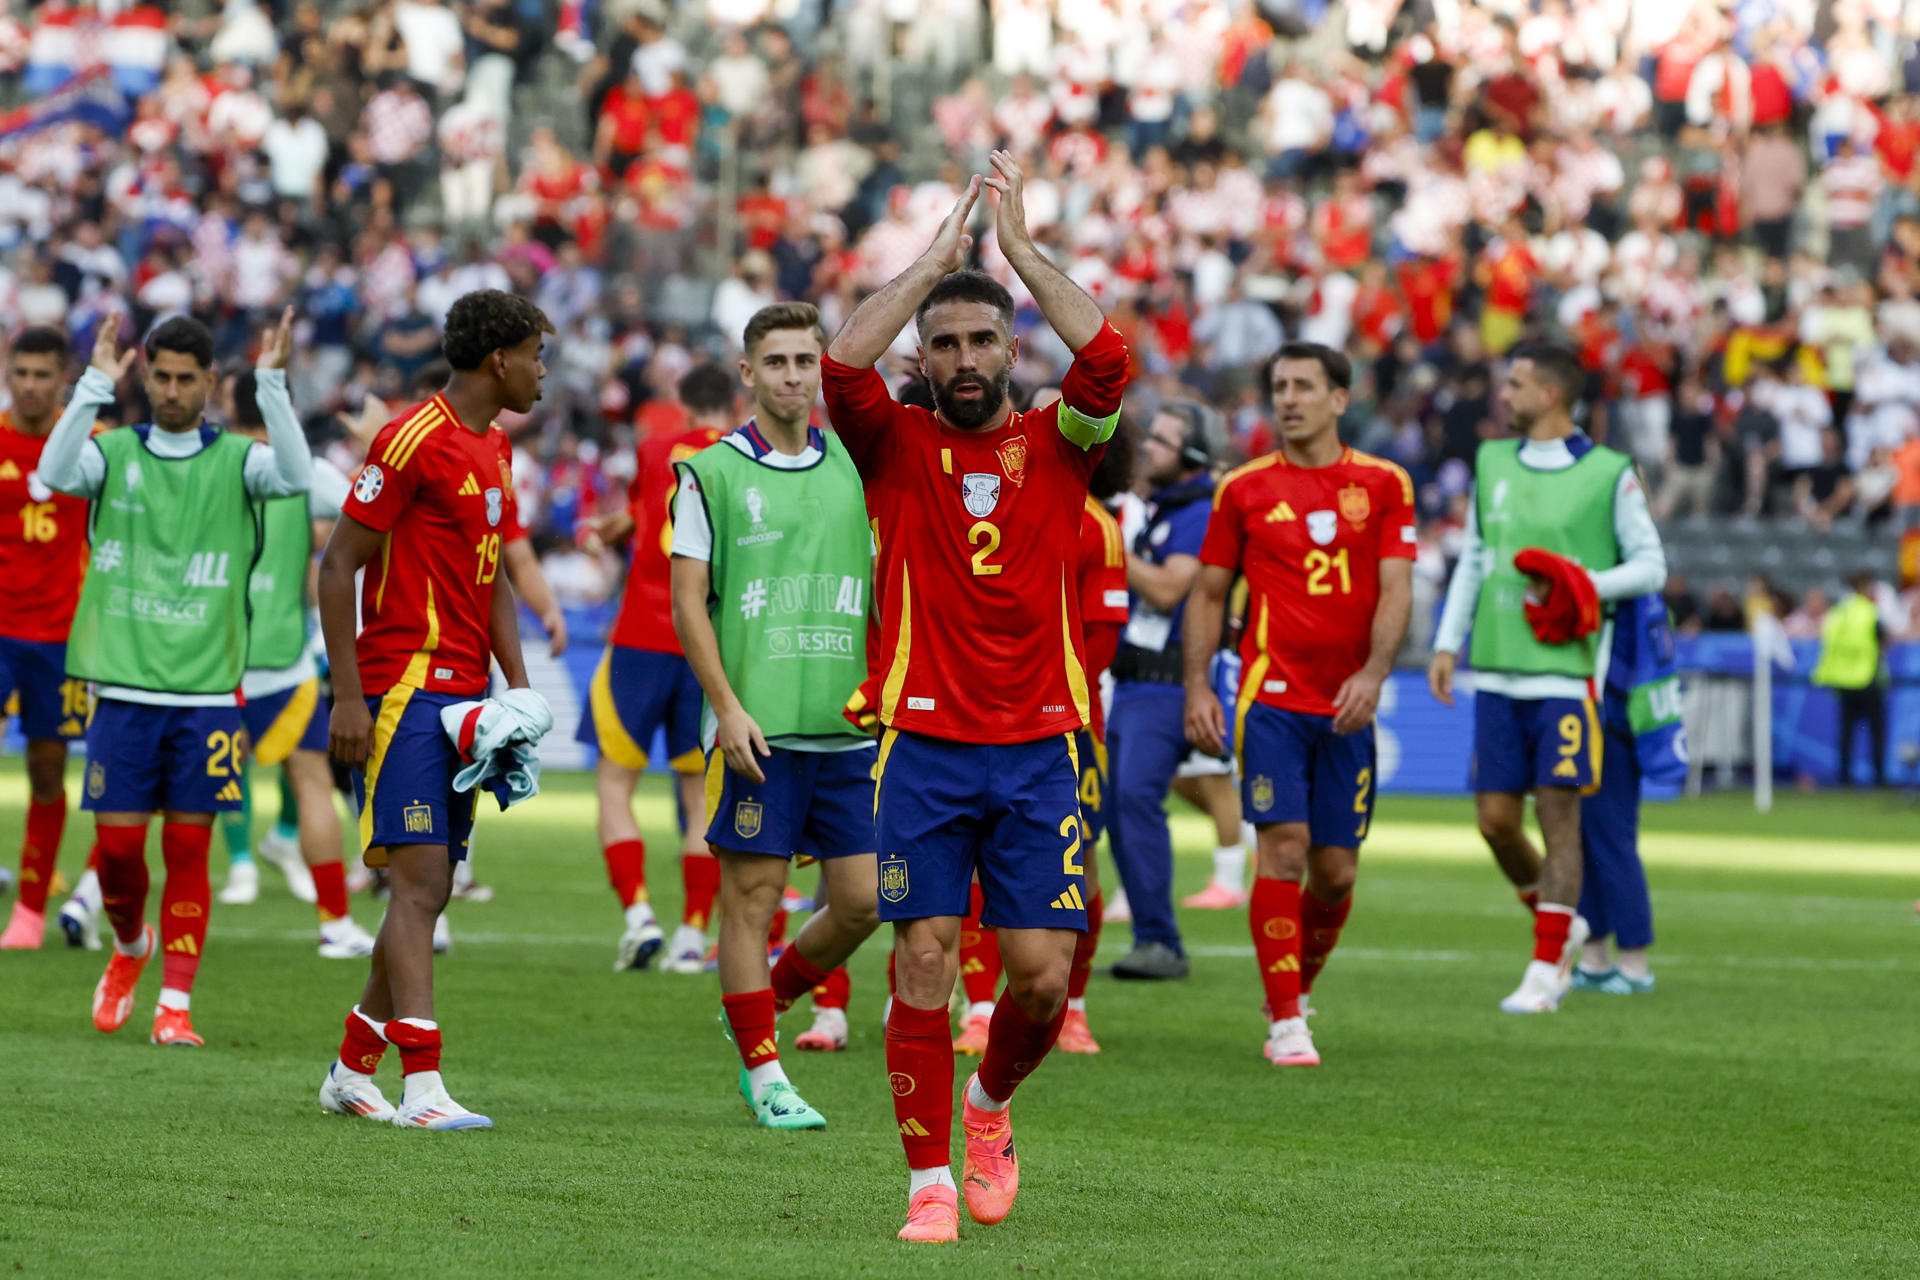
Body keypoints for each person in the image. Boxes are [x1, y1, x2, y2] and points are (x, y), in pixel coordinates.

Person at [820, 151, 1128, 1243]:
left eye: (981, 340)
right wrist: (935, 260)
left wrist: (1022, 252)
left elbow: (1110, 355)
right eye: (943, 343)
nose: (961, 357)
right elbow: (842, 364)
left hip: (1041, 744)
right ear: (926, 355)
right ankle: (927, 1184)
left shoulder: (1062, 445)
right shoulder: (892, 447)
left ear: (1011, 351)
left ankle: (990, 1104)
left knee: (1041, 980)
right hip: (925, 747)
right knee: (925, 953)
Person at [315, 289, 555, 1130]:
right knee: (418, 883)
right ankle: (423, 1085)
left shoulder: (493, 448)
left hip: (462, 699)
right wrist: (348, 694)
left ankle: (352, 1068)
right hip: (402, 689)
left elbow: (488, 581)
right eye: (535, 355)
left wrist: (516, 687)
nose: (542, 371)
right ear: (499, 359)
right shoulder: (411, 437)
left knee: (434, 885)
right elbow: (338, 564)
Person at [42, 309, 312, 1046]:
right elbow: (52, 473)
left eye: (184, 379)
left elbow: (293, 474)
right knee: (123, 853)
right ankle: (131, 947)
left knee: (189, 850)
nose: (169, 390)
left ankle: (176, 1006)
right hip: (124, 694)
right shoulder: (115, 453)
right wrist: (96, 380)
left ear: (210, 383)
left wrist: (275, 384)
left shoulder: (238, 462)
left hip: (206, 699)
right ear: (145, 375)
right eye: (159, 375)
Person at [668, 301, 881, 1130]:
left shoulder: (855, 468)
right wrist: (726, 707)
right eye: (779, 361)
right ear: (749, 373)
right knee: (750, 903)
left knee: (864, 902)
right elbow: (690, 603)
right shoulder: (712, 472)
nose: (795, 375)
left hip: (848, 726)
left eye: (807, 360)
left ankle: (765, 997)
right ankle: (765, 1072)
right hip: (758, 729)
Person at [1184, 342, 1415, 1066]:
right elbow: (1210, 592)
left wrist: (1375, 673)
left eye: (1305, 386)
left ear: (1339, 399)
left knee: (1337, 871)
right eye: (1280, 386)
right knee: (1282, 850)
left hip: (1349, 702)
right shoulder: (1243, 489)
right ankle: (1287, 1020)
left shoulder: (1383, 484)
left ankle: (1293, 987)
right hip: (1271, 699)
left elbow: (1397, 586)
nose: (1288, 398)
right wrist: (1197, 685)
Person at [1427, 342, 1666, 1014]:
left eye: (1518, 384)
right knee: (1497, 823)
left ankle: (1545, 966)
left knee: (1561, 820)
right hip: (1497, 669)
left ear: (1552, 394)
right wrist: (1449, 641)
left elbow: (1651, 566)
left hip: (1567, 673)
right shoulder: (1491, 460)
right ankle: (1564, 925)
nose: (1504, 394)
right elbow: (1475, 555)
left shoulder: (1610, 472)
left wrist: (1581, 584)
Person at [949, 420, 1135, 1057]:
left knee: (1076, 867)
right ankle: (977, 1008)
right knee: (972, 866)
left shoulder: (1096, 524)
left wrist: (1039, 693)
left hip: (1070, 729)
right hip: (976, 722)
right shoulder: (989, 502)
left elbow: (1103, 641)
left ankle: (1074, 1008)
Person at [577, 364, 732, 973]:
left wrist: (608, 531)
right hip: (707, 646)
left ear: (681, 403)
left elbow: (651, 515)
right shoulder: (748, 456)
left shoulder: (654, 450)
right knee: (699, 796)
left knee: (616, 783)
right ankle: (692, 935)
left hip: (642, 633)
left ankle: (639, 914)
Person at [228, 369, 378, 959]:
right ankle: (335, 925)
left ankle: (98, 900)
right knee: (313, 781)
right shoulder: (306, 472)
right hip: (286, 654)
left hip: (206, 657)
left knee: (167, 789)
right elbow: (372, 509)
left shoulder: (213, 461)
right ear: (284, 409)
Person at [1106, 402, 1215, 980]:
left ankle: (1161, 940)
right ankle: (1152, 935)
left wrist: (1109, 545)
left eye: (1165, 442)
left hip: (1167, 683)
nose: (1150, 449)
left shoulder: (1197, 511)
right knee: (1118, 808)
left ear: (1193, 454)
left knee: (1133, 800)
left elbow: (1171, 588)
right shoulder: (1167, 511)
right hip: (1135, 683)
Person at [0, 328, 100, 950]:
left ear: (62, 379)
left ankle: (30, 914)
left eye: (42, 374)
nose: (30, 385)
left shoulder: (88, 448)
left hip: (61, 639)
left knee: (46, 771)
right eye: (21, 373)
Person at [1812, 571, 1886, 787]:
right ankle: (1879, 776)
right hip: (1866, 678)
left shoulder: (1837, 612)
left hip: (1842, 681)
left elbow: (1827, 643)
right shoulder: (1869, 611)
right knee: (1876, 730)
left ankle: (1844, 777)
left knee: (1846, 732)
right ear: (1863, 588)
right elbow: (1880, 640)